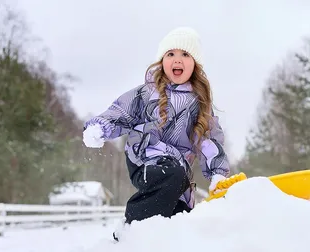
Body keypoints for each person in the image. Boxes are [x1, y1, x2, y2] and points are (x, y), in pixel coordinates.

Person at [82, 27, 230, 241]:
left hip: (179, 172)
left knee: (178, 216)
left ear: (195, 65)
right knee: (171, 174)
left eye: (185, 54)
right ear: (162, 60)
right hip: (146, 158)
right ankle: (130, 230)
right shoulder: (147, 92)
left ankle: (157, 241)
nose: (177, 60)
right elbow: (122, 111)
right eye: (171, 54)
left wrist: (217, 171)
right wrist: (101, 127)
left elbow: (209, 141)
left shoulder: (200, 104)